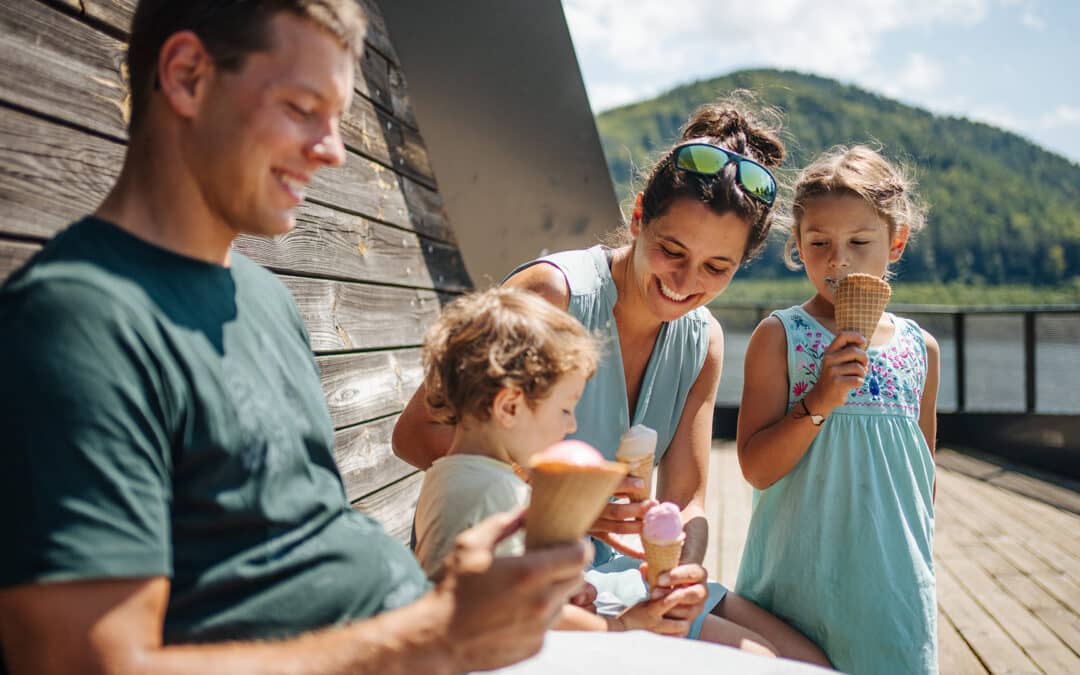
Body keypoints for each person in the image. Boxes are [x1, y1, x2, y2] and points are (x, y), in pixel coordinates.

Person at [0, 2, 590, 674]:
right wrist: (436, 635)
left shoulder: (264, 300)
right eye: (303, 107)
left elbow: (300, 551)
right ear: (188, 76)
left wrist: (492, 613)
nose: (333, 149)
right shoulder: (79, 322)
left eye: (338, 118)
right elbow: (86, 664)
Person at [394, 97, 831, 666]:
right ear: (639, 217)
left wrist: (683, 571)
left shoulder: (705, 341)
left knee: (814, 663)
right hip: (527, 576)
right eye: (671, 250)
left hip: (632, 580)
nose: (685, 281)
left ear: (741, 264)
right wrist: (561, 506)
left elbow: (688, 497)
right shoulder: (554, 294)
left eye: (715, 268)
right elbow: (414, 434)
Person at [412, 286, 782, 654]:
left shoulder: (455, 474)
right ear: (510, 407)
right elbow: (524, 611)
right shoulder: (494, 492)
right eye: (565, 409)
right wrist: (620, 626)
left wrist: (569, 591)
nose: (571, 425)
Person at [734, 145, 940, 674]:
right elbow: (756, 469)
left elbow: (923, 479)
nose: (838, 260)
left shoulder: (922, 349)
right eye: (819, 242)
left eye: (859, 242)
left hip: (892, 593)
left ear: (896, 243)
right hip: (799, 584)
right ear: (797, 247)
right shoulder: (780, 336)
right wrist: (819, 401)